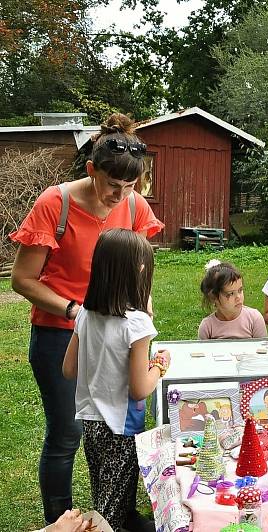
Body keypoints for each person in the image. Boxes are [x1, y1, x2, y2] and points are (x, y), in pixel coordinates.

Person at [10, 113, 164, 523]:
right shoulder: (54, 204)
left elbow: (138, 267)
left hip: (115, 331)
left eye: (130, 186)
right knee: (67, 433)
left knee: (116, 428)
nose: (121, 195)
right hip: (61, 331)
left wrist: (142, 302)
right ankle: (59, 523)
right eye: (113, 185)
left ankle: (118, 513)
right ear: (91, 169)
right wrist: (76, 312)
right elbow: (22, 280)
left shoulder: (133, 204)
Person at [62, 229, 170, 531]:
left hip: (91, 422)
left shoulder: (85, 313)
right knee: (107, 515)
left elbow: (69, 369)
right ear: (139, 271)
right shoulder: (137, 324)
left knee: (107, 492)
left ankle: (126, 520)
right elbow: (139, 389)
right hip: (120, 429)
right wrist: (159, 367)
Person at [198, 260, 267, 339]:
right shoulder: (207, 326)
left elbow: (263, 348)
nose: (238, 297)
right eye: (231, 293)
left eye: (240, 290)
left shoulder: (254, 318)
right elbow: (203, 351)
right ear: (213, 297)